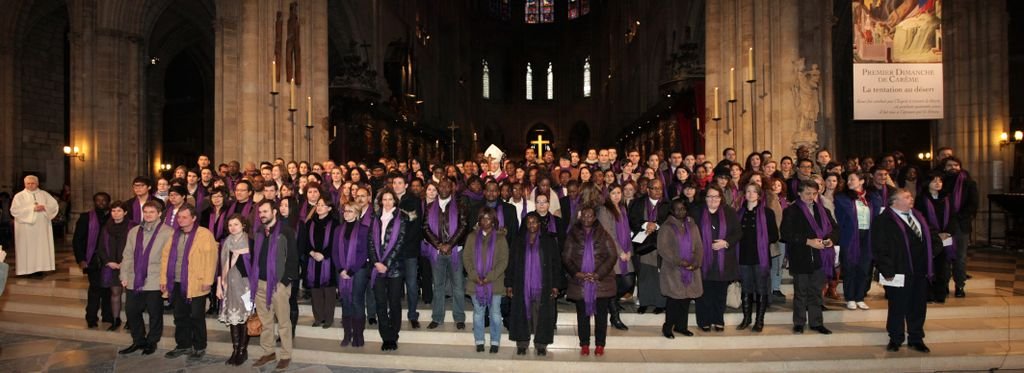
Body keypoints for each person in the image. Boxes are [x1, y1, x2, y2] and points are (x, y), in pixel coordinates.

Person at [873, 188, 938, 353]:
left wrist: (932, 252)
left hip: (921, 269)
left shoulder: (918, 216)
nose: (911, 199)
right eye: (907, 197)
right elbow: (879, 247)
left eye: (911, 196)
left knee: (918, 306)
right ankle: (896, 338)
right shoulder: (883, 220)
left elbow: (932, 236)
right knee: (898, 306)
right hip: (898, 270)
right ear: (895, 202)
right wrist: (887, 269)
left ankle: (916, 338)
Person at [160, 205, 219, 360]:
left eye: (185, 217)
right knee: (180, 315)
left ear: (193, 218)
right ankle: (183, 345)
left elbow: (211, 259)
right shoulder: (175, 234)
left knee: (196, 315)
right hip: (177, 282)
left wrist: (208, 280)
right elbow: (165, 258)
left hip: (197, 282)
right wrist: (164, 279)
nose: (181, 220)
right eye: (179, 217)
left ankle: (199, 346)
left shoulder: (204, 234)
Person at [780, 180, 838, 335]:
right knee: (801, 292)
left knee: (816, 292)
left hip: (820, 257)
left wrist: (831, 239)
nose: (811, 196)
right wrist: (808, 241)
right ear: (799, 193)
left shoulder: (823, 210)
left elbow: (834, 229)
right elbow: (786, 234)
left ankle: (816, 323)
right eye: (807, 193)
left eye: (814, 193)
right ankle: (799, 322)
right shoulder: (791, 211)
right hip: (801, 256)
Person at [118, 200, 173, 356]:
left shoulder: (167, 232)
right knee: (131, 311)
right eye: (146, 212)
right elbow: (127, 254)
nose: (148, 215)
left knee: (155, 313)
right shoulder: (134, 231)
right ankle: (138, 340)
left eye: (152, 212)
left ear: (159, 214)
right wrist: (124, 274)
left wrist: (165, 280)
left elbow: (168, 259)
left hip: (155, 279)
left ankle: (152, 341)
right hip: (135, 277)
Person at [251, 200, 299, 370]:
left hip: (279, 283)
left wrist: (285, 282)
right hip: (260, 283)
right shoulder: (258, 232)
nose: (262, 214)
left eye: (265, 211)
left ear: (275, 212)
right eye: (260, 212)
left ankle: (286, 355)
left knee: (284, 322)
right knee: (265, 321)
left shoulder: (286, 231)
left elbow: (293, 258)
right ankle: (268, 352)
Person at [563, 206, 616, 357]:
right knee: (582, 316)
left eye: (590, 216)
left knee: (601, 317)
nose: (587, 218)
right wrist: (577, 273)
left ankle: (600, 345)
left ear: (594, 218)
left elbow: (612, 256)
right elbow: (566, 257)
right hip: (580, 283)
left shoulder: (603, 234)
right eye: (584, 216)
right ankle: (584, 344)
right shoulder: (572, 234)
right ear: (580, 217)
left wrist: (598, 274)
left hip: (601, 282)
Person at [507, 213, 563, 355]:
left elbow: (556, 264)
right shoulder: (518, 241)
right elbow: (511, 264)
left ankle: (541, 345)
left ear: (539, 224)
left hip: (543, 285)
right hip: (522, 284)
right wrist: (509, 284)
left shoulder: (549, 241)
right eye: (529, 222)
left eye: (535, 222)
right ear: (525, 224)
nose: (532, 225)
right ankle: (522, 343)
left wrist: (556, 285)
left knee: (542, 315)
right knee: (521, 313)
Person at [692, 185, 741, 332]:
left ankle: (718, 319)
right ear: (705, 198)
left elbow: (738, 233)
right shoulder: (697, 212)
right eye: (710, 196)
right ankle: (704, 321)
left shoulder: (730, 212)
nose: (713, 200)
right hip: (703, 259)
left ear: (721, 198)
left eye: (716, 197)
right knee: (704, 292)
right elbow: (689, 233)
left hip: (723, 260)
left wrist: (725, 243)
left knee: (720, 293)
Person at [424, 178, 469, 330]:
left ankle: (459, 317)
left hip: (455, 251)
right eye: (441, 186)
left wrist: (450, 244)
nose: (443, 188)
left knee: (457, 286)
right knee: (438, 286)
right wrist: (438, 244)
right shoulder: (430, 207)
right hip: (436, 252)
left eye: (446, 186)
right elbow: (425, 228)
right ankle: (437, 317)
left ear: (451, 188)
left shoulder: (460, 206)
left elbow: (463, 226)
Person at [463, 207, 509, 353]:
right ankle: (479, 340)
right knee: (478, 313)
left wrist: (489, 277)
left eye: (488, 218)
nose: (485, 221)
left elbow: (503, 261)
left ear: (494, 221)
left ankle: (495, 341)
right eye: (482, 218)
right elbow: (467, 258)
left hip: (495, 282)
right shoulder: (471, 237)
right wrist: (475, 276)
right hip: (475, 282)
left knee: (495, 313)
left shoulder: (501, 238)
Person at [657, 199, 703, 338]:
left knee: (686, 299)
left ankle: (681, 326)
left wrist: (696, 262)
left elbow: (699, 246)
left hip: (691, 268)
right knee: (674, 300)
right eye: (677, 209)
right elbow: (663, 249)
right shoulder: (667, 227)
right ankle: (667, 327)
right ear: (672, 210)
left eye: (683, 208)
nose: (680, 211)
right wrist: (679, 261)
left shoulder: (692, 225)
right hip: (673, 269)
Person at [736, 184, 779, 333]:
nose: (751, 194)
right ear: (744, 194)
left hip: (760, 256)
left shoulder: (768, 213)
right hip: (743, 256)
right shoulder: (738, 213)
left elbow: (774, 236)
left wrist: (761, 238)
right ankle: (746, 319)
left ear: (759, 195)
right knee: (746, 288)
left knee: (761, 288)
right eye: (748, 191)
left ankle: (759, 321)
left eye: (754, 192)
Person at [369, 189, 408, 351]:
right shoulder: (375, 219)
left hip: (395, 268)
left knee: (393, 303)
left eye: (390, 199)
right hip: (377, 268)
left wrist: (386, 263)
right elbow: (370, 242)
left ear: (395, 201)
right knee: (380, 303)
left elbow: (400, 243)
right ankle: (385, 336)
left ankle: (393, 335)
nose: (387, 202)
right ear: (380, 202)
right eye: (384, 199)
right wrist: (377, 262)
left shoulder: (402, 218)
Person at [216, 214, 254, 366]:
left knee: (244, 319)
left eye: (236, 224)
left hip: (245, 285)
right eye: (230, 225)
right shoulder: (226, 243)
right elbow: (221, 265)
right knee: (233, 318)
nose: (232, 227)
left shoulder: (251, 242)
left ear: (243, 225)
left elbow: (254, 266)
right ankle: (235, 349)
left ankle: (242, 351)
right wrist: (219, 284)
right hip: (229, 284)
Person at [834, 172, 875, 310]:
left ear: (862, 181)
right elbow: (840, 219)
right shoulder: (842, 197)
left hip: (867, 235)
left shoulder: (871, 198)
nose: (849, 182)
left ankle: (860, 297)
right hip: (850, 236)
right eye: (848, 179)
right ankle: (850, 297)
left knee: (864, 268)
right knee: (850, 267)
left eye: (852, 179)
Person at [628, 178, 669, 314]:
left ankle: (660, 303)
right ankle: (644, 302)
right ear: (648, 190)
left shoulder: (667, 204)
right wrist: (646, 224)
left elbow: (670, 220)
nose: (658, 191)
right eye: (654, 188)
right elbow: (632, 219)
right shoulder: (637, 203)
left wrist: (656, 225)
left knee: (659, 275)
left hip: (661, 244)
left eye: (660, 188)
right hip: (643, 245)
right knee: (644, 274)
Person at [72, 192, 113, 328]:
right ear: (94, 202)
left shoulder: (113, 217)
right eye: (98, 200)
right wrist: (81, 259)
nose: (101, 203)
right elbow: (77, 240)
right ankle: (91, 318)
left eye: (104, 201)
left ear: (108, 202)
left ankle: (107, 315)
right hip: (92, 259)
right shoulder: (85, 218)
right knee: (95, 288)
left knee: (107, 288)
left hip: (109, 259)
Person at [915, 173, 956, 304]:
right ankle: (928, 294)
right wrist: (935, 234)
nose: (937, 183)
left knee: (943, 267)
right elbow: (921, 219)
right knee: (928, 265)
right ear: (927, 183)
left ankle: (940, 294)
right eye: (934, 181)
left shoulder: (948, 198)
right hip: (929, 237)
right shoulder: (921, 199)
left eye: (939, 181)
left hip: (945, 237)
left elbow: (953, 216)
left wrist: (948, 232)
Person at [334, 201, 370, 347]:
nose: (346, 213)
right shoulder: (338, 229)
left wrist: (351, 271)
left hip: (359, 270)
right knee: (345, 302)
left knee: (356, 301)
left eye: (349, 211)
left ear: (357, 213)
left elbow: (364, 253)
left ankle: (358, 335)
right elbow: (335, 251)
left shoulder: (364, 229)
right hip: (341, 271)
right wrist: (340, 270)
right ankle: (347, 334)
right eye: (345, 211)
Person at [941, 157, 977, 298]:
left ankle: (959, 286)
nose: (953, 167)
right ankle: (943, 285)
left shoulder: (969, 183)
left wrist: (958, 217)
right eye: (949, 165)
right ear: (944, 168)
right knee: (944, 257)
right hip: (944, 225)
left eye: (956, 165)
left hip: (961, 225)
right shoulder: (940, 182)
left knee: (960, 258)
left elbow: (973, 205)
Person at [598, 184, 633, 331]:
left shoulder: (623, 209)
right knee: (616, 284)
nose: (617, 196)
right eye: (613, 193)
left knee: (628, 283)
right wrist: (620, 252)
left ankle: (609, 304)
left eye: (619, 192)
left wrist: (630, 250)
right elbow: (608, 233)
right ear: (608, 195)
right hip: (612, 252)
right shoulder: (604, 210)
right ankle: (615, 316)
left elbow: (628, 231)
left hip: (625, 251)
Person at [10, 175, 60, 276]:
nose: (30, 185)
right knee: (27, 248)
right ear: (24, 184)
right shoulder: (19, 196)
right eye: (28, 183)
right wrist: (32, 209)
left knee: (41, 248)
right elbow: (14, 210)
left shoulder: (44, 194)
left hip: (42, 227)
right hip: (26, 228)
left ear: (37, 184)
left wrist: (44, 207)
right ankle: (26, 271)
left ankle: (39, 269)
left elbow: (54, 206)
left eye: (32, 183)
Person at [392, 175, 424, 329]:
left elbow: (415, 225)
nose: (397, 185)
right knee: (394, 285)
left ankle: (412, 315)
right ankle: (394, 315)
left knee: (411, 284)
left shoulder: (413, 201)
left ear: (405, 185)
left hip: (409, 249)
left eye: (400, 183)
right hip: (392, 252)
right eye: (394, 183)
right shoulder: (388, 200)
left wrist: (401, 243)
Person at [96, 200, 134, 332]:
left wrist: (126, 262)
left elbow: (137, 246)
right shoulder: (106, 227)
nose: (116, 213)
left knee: (130, 293)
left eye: (119, 211)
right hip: (111, 265)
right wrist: (108, 261)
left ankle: (131, 320)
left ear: (125, 212)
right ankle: (116, 319)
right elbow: (100, 247)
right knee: (115, 292)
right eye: (113, 211)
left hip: (129, 264)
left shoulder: (132, 226)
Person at [300, 198, 338, 328]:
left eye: (323, 205)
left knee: (329, 291)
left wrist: (324, 254)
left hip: (328, 259)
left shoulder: (335, 223)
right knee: (315, 291)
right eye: (318, 205)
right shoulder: (310, 223)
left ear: (329, 208)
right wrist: (311, 252)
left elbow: (335, 242)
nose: (320, 207)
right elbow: (304, 241)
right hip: (312, 259)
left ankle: (328, 318)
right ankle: (318, 317)